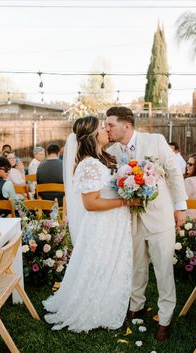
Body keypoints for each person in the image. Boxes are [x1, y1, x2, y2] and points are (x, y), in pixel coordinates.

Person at [43, 116, 133, 332]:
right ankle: (93, 307)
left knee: (111, 264)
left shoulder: (102, 158)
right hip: (102, 224)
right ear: (93, 136)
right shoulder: (88, 164)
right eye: (102, 128)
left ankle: (107, 302)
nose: (106, 130)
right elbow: (91, 204)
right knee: (99, 264)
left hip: (113, 222)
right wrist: (125, 201)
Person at [106, 106, 188, 341]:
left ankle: (165, 318)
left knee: (163, 270)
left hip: (160, 217)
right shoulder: (111, 151)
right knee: (136, 266)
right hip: (130, 220)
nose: (107, 129)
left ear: (126, 125)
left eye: (110, 124)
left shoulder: (156, 141)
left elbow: (173, 172)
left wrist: (180, 207)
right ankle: (137, 305)